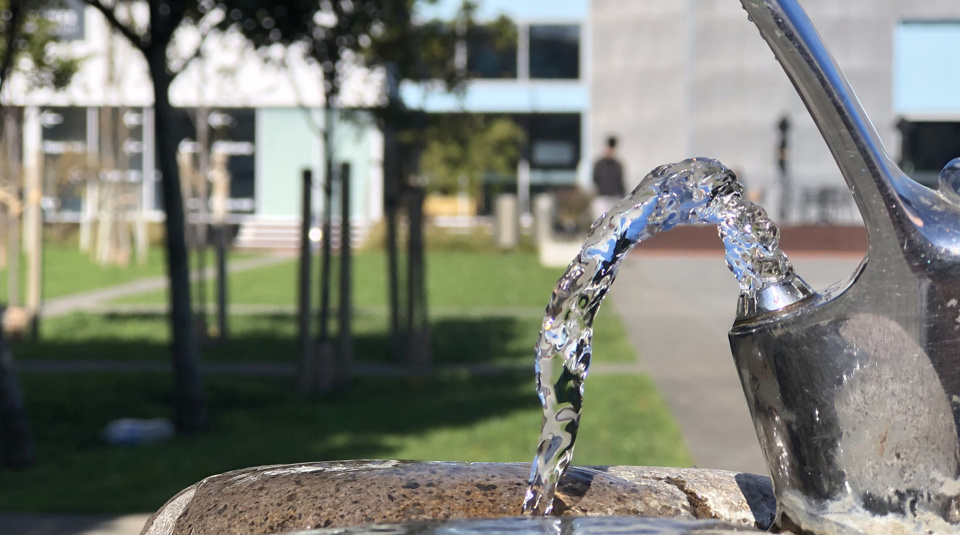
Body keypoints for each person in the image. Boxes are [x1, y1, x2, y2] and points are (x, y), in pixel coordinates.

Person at [591, 135, 626, 220]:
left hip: (614, 198)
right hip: (602, 197)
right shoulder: (599, 164)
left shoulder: (617, 165)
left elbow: (620, 182)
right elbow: (595, 179)